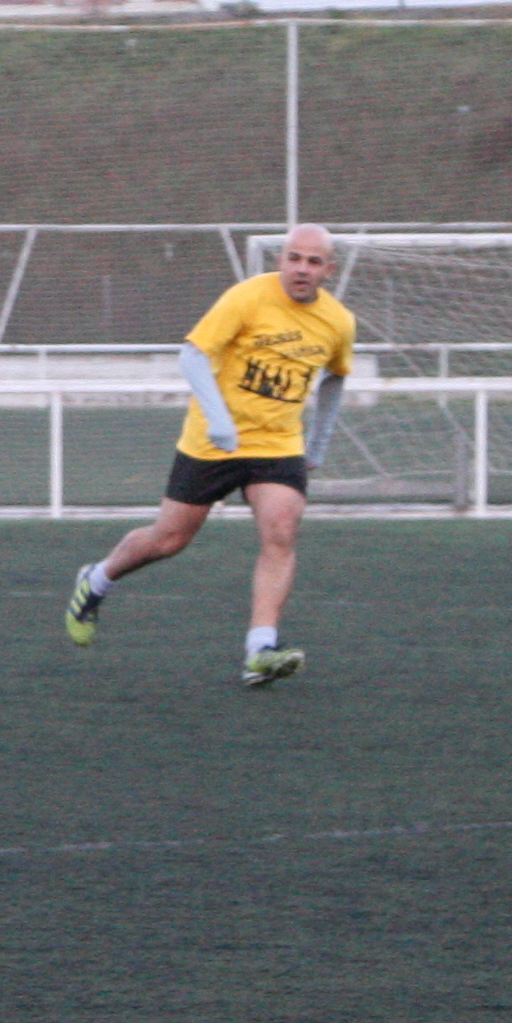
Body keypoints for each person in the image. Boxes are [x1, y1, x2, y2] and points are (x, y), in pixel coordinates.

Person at [60, 226, 353, 686]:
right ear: (281, 260)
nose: (302, 268)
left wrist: (317, 443)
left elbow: (336, 376)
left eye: (313, 262)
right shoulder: (247, 297)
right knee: (169, 539)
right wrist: (219, 420)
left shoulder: (338, 322)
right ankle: (96, 580)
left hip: (277, 444)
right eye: (294, 258)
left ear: (328, 270)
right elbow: (193, 355)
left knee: (281, 530)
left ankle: (260, 650)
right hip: (213, 441)